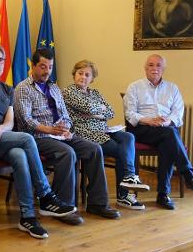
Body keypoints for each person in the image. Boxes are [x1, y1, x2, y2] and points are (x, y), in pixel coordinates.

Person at [0, 45, 76, 239]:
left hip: (0, 138)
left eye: (0, 60)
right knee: (27, 139)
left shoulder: (7, 89)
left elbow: (9, 122)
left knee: (19, 155)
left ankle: (27, 217)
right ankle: (45, 195)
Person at [14, 48, 120, 224]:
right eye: (42, 66)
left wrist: (67, 128)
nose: (47, 71)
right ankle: (63, 207)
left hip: (60, 134)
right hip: (37, 137)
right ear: (33, 66)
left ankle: (97, 203)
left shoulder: (54, 88)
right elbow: (25, 120)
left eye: (50, 67)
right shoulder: (23, 88)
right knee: (67, 153)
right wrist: (49, 130)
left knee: (94, 149)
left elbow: (65, 115)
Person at [123, 54, 193, 210]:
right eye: (150, 65)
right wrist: (149, 120)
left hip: (164, 129)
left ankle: (163, 195)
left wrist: (166, 121)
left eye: (158, 65)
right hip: (142, 128)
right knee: (170, 135)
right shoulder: (134, 87)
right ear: (145, 68)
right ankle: (187, 177)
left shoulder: (172, 88)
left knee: (168, 141)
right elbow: (130, 113)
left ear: (163, 69)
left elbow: (178, 113)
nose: (154, 69)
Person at [62, 60, 150, 210]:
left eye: (87, 75)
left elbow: (110, 112)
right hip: (86, 133)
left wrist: (95, 114)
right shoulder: (68, 91)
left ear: (92, 78)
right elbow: (87, 107)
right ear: (74, 74)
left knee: (128, 137)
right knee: (120, 150)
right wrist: (98, 111)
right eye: (80, 73)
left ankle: (128, 178)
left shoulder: (95, 93)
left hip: (105, 130)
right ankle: (125, 194)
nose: (83, 77)